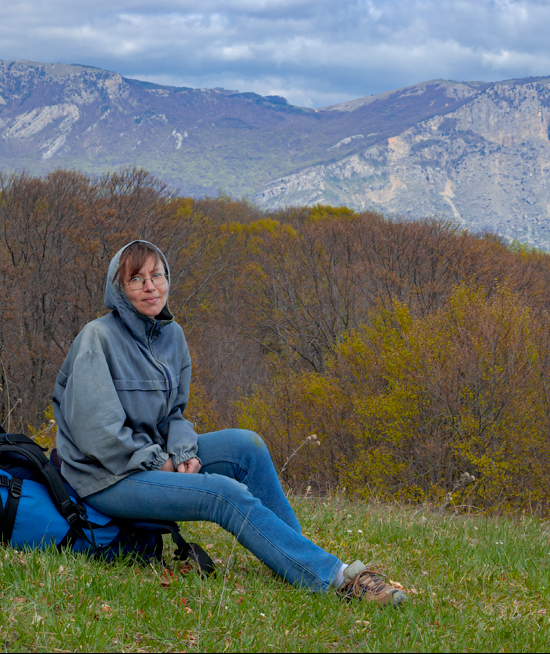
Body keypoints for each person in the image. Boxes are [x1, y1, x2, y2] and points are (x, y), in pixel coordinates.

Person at [52, 239, 408, 603]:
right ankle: (337, 578)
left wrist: (184, 452)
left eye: (157, 275)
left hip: (154, 459)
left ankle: (295, 557)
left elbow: (174, 414)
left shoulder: (171, 336)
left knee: (246, 446)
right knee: (221, 494)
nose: (150, 286)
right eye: (136, 279)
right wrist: (162, 462)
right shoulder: (97, 339)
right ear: (119, 289)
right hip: (108, 478)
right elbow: (99, 435)